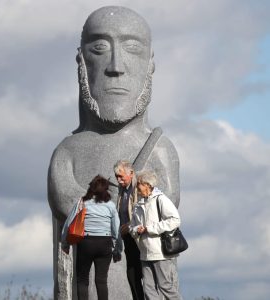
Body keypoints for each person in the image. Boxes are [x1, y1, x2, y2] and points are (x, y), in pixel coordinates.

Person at [47, 6, 180, 299]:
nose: (115, 66)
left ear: (150, 64)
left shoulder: (160, 148)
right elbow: (65, 201)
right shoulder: (66, 153)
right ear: (81, 61)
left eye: (132, 48)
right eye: (99, 48)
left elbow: (168, 203)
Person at [61, 175, 122, 300]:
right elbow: (116, 229)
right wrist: (117, 249)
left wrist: (65, 243)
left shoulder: (82, 202)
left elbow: (68, 223)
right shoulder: (110, 206)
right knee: (101, 280)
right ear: (105, 190)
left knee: (82, 279)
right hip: (104, 244)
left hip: (86, 243)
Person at [130, 171, 182, 300]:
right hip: (144, 253)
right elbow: (132, 227)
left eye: (139, 185)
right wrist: (137, 229)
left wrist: (150, 229)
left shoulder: (161, 199)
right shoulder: (138, 205)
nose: (137, 188)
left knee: (165, 286)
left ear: (147, 184)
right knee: (148, 289)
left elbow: (175, 220)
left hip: (160, 252)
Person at [114, 160, 145, 300]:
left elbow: (143, 212)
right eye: (117, 177)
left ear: (131, 173)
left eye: (121, 177)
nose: (119, 180)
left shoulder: (139, 187)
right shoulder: (122, 190)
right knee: (132, 274)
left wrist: (129, 225)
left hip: (140, 236)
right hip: (128, 237)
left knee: (144, 273)